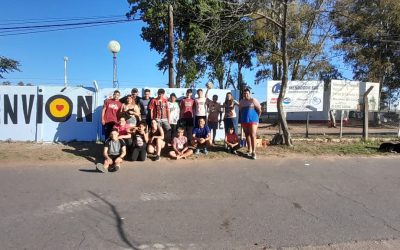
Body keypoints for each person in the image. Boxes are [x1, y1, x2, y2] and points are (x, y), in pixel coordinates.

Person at [239, 88, 262, 160]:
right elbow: (241, 110)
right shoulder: (241, 101)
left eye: (247, 93)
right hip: (244, 121)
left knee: (253, 135)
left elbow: (259, 110)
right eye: (244, 93)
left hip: (253, 121)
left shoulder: (254, 100)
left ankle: (254, 152)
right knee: (247, 135)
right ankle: (249, 150)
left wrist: (257, 118)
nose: (246, 95)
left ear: (250, 94)